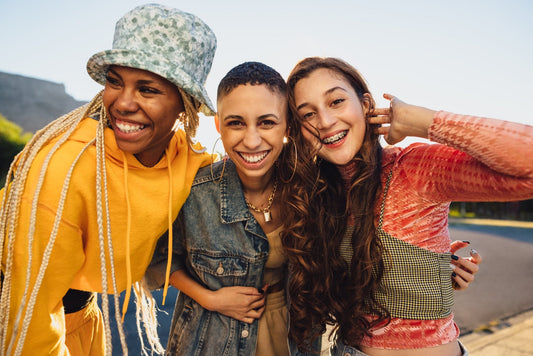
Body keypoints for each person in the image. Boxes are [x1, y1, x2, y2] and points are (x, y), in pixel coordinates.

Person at [0, 4, 217, 355]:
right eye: (115, 82)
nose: (123, 103)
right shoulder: (64, 171)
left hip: (77, 314)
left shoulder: (184, 156)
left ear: (185, 104)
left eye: (147, 89)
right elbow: (28, 317)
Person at [281, 57, 532, 356]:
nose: (323, 121)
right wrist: (423, 270)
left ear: (365, 105)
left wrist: (424, 121)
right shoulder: (316, 193)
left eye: (336, 101)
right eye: (308, 113)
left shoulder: (413, 168)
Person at [145, 61, 302, 355]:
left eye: (267, 122)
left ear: (287, 125)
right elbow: (158, 258)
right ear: (218, 125)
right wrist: (208, 298)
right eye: (236, 123)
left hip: (290, 334)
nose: (252, 140)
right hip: (211, 336)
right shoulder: (193, 192)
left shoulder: (307, 190)